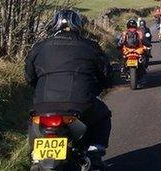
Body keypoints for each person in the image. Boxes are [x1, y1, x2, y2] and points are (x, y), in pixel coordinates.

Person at [25, 9, 112, 170]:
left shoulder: (39, 47)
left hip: (43, 107)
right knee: (104, 114)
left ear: (53, 25)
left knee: (32, 121)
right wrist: (101, 86)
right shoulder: (90, 46)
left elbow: (29, 77)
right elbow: (106, 75)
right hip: (81, 105)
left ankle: (35, 156)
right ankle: (94, 150)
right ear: (78, 26)